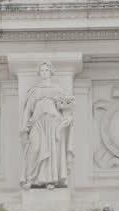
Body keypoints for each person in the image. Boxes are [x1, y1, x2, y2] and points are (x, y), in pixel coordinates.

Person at [20, 60, 74, 189]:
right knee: (35, 149)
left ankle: (50, 180)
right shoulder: (34, 91)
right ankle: (31, 179)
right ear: (39, 73)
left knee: (52, 150)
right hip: (37, 122)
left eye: (46, 70)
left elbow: (65, 107)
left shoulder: (56, 90)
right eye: (42, 70)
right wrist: (23, 128)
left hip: (53, 122)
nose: (44, 72)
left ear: (51, 72)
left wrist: (67, 117)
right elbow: (27, 110)